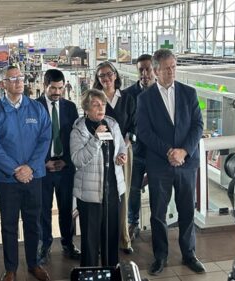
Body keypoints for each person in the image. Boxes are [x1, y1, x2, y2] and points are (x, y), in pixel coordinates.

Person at [137, 49, 205, 275]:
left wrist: (184, 151)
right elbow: (144, 132)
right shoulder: (145, 98)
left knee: (187, 211)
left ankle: (189, 254)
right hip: (160, 164)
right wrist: (168, 151)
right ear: (156, 70)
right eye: (167, 68)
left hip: (186, 163)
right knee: (158, 213)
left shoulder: (189, 93)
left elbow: (197, 126)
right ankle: (161, 256)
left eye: (174, 67)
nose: (172, 71)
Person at [0, 65, 52, 281]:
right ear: (2, 84)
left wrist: (30, 167)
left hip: (34, 176)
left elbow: (44, 139)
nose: (19, 81)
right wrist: (15, 170)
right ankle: (11, 268)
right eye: (12, 79)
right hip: (7, 180)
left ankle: (34, 264)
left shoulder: (37, 109)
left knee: (34, 222)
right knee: (9, 224)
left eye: (21, 77)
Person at [70, 89, 127, 267]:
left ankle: (111, 272)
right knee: (90, 242)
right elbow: (77, 160)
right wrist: (95, 139)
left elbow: (121, 147)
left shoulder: (112, 124)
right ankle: (90, 274)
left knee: (111, 239)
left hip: (112, 192)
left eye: (102, 104)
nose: (100, 107)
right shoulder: (78, 131)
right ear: (86, 108)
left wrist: (122, 156)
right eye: (95, 104)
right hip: (89, 196)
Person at [36, 69, 80, 264]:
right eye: (53, 88)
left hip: (65, 168)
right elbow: (31, 140)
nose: (57, 92)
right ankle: (44, 245)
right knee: (43, 210)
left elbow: (75, 138)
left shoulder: (70, 107)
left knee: (66, 209)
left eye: (60, 88)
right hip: (43, 168)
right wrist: (42, 162)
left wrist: (67, 161)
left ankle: (68, 244)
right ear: (44, 85)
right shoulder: (34, 107)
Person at [93, 61, 135, 254]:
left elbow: (135, 124)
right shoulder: (96, 99)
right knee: (103, 195)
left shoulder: (127, 98)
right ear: (98, 79)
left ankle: (124, 238)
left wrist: (124, 146)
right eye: (102, 76)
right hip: (100, 152)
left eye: (109, 74)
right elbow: (91, 122)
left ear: (116, 75)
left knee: (122, 194)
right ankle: (102, 240)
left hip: (124, 151)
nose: (106, 78)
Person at [124, 54, 156, 241]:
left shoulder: (162, 92)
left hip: (157, 153)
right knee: (133, 189)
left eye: (148, 69)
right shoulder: (129, 94)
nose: (144, 73)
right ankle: (133, 222)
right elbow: (126, 122)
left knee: (159, 191)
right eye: (141, 70)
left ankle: (157, 223)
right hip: (136, 152)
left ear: (155, 69)